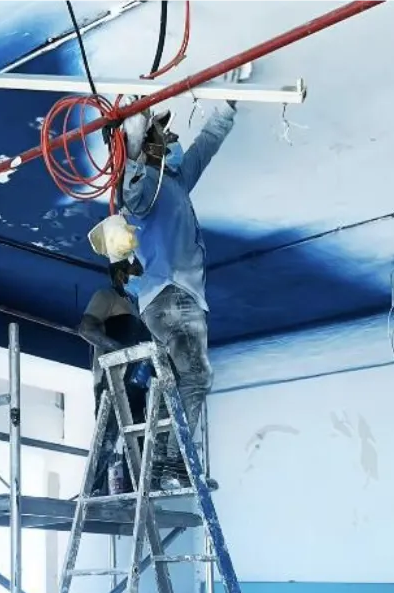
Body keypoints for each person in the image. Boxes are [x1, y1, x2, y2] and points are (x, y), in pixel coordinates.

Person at [119, 76, 246, 490]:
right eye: (166, 136)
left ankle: (160, 467)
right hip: (175, 296)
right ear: (155, 151)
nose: (172, 140)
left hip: (169, 299)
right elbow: (129, 196)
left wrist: (227, 104)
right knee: (196, 378)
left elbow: (204, 147)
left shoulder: (174, 182)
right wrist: (134, 139)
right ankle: (173, 467)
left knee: (174, 383)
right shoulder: (150, 191)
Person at [77, 257, 151, 496]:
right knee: (107, 436)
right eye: (136, 271)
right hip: (113, 378)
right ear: (121, 274)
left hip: (136, 381)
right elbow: (86, 329)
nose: (141, 275)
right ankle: (92, 490)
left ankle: (137, 491)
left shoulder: (136, 304)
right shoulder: (106, 296)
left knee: (140, 438)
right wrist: (120, 351)